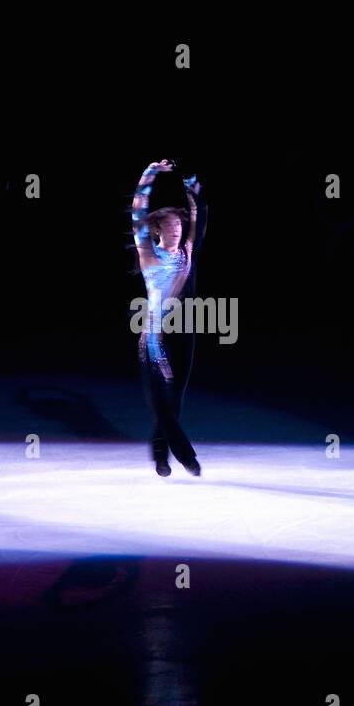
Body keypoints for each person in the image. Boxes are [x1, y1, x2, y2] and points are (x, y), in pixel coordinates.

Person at [129, 159, 209, 476]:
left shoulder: (188, 251)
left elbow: (200, 213)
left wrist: (190, 183)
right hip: (155, 333)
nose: (177, 230)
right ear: (158, 229)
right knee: (161, 397)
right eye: (171, 226)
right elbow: (137, 209)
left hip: (185, 331)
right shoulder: (148, 251)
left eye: (180, 226)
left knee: (176, 397)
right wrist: (149, 173)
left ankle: (160, 452)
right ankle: (182, 452)